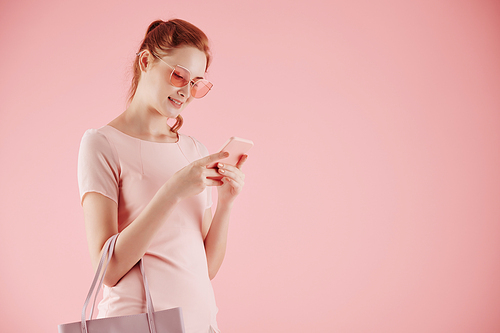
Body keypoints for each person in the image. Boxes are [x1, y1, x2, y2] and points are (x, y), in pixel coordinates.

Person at [77, 19, 247, 333]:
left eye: (196, 82)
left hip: (200, 322)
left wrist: (225, 204)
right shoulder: (102, 144)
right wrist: (171, 191)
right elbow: (108, 270)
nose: (186, 92)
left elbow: (205, 268)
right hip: (137, 324)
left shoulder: (194, 149)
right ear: (145, 61)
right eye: (179, 75)